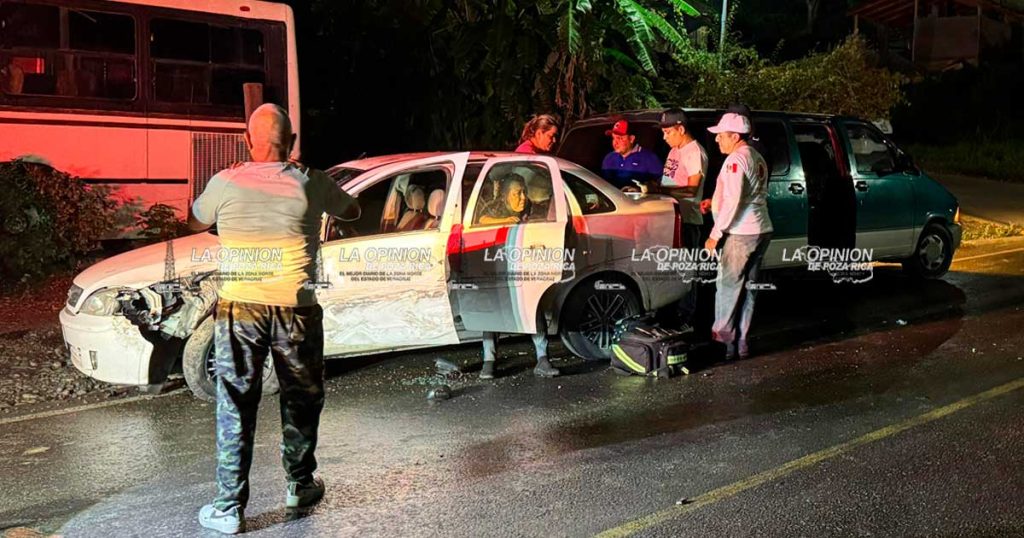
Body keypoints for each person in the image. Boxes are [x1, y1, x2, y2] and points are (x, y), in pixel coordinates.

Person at [188, 104, 359, 534]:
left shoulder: (225, 180)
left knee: (235, 403)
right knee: (301, 397)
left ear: (247, 142)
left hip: (240, 307)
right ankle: (299, 483)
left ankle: (229, 508)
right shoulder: (312, 182)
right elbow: (353, 212)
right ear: (293, 144)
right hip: (296, 308)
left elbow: (194, 220)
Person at [704, 112, 773, 361]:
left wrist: (715, 234)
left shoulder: (735, 160)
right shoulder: (755, 156)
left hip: (741, 232)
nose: (717, 140)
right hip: (762, 229)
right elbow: (746, 195)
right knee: (750, 287)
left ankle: (724, 344)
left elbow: (733, 201)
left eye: (721, 136)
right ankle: (742, 342)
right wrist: (714, 202)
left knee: (727, 287)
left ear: (734, 136)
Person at [659, 108, 708, 327]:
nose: (665, 136)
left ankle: (686, 318)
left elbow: (691, 189)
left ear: (680, 128)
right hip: (671, 219)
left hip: (688, 220)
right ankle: (670, 315)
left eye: (668, 132)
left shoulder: (693, 152)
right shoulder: (674, 152)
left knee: (688, 271)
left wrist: (660, 191)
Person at [600, 120, 662, 189]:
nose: (615, 142)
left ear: (631, 139)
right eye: (613, 138)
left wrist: (641, 188)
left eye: (620, 138)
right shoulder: (609, 158)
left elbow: (659, 184)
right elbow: (604, 185)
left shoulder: (650, 158)